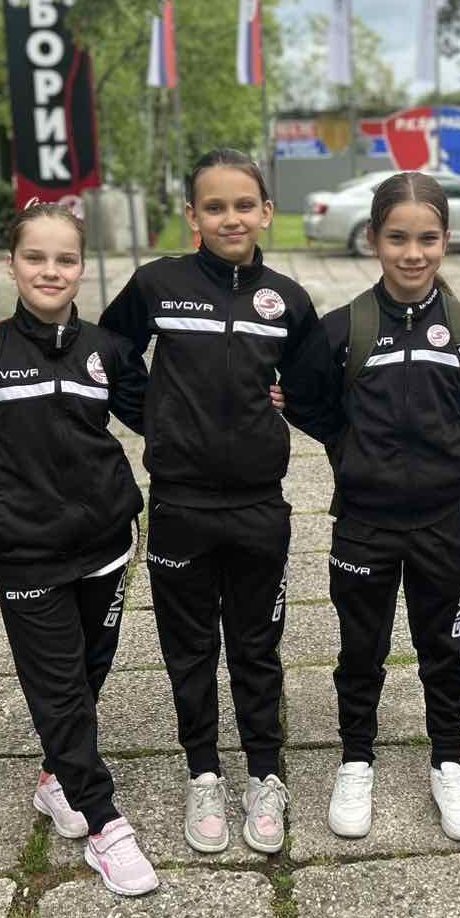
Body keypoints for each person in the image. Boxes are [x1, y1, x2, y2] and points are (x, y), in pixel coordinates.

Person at [284, 171, 460, 841]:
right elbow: (301, 397)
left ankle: (448, 760)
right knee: (361, 650)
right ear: (374, 239)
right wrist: (347, 446)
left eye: (426, 239)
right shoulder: (343, 328)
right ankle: (356, 759)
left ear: (446, 240)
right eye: (397, 239)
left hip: (442, 524)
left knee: (443, 648)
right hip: (363, 523)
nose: (412, 254)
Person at [100, 148, 318, 856]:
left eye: (244, 205)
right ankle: (203, 773)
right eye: (215, 207)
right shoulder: (157, 284)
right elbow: (106, 356)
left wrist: (290, 400)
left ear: (266, 212)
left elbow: (314, 381)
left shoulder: (287, 299)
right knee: (190, 649)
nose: (231, 218)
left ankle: (264, 774)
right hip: (180, 505)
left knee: (257, 647)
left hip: (259, 506)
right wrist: (155, 419)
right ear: (192, 215)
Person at [0, 200, 160, 896]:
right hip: (25, 549)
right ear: (11, 263)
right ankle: (104, 823)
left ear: (82, 266)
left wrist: (261, 397)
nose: (50, 270)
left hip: (106, 542)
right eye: (35, 257)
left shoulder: (106, 350)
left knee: (89, 671)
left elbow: (163, 415)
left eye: (65, 258)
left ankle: (56, 777)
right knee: (59, 685)